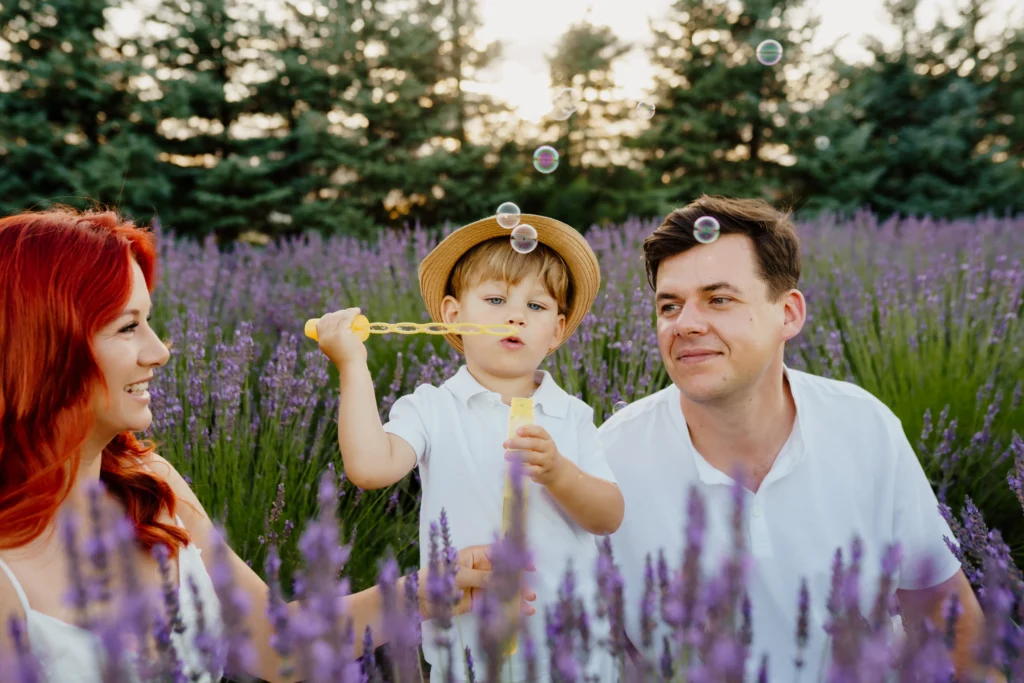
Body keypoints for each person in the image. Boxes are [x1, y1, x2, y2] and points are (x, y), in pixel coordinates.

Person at [0, 207, 535, 683]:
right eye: (127, 327)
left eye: (151, 321)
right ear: (45, 348)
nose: (159, 351)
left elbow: (275, 644)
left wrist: (420, 592)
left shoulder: (154, 485)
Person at [598, 195, 994, 682]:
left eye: (718, 299)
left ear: (788, 313)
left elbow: (944, 612)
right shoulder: (609, 457)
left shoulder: (863, 426)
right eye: (669, 305)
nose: (685, 324)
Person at [315, 214, 625, 682]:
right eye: (496, 299)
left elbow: (608, 516)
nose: (516, 316)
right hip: (469, 654)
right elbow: (369, 467)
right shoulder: (433, 408)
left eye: (536, 307)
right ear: (453, 316)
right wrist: (352, 366)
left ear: (558, 331)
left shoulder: (572, 415)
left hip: (572, 652)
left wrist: (561, 473)